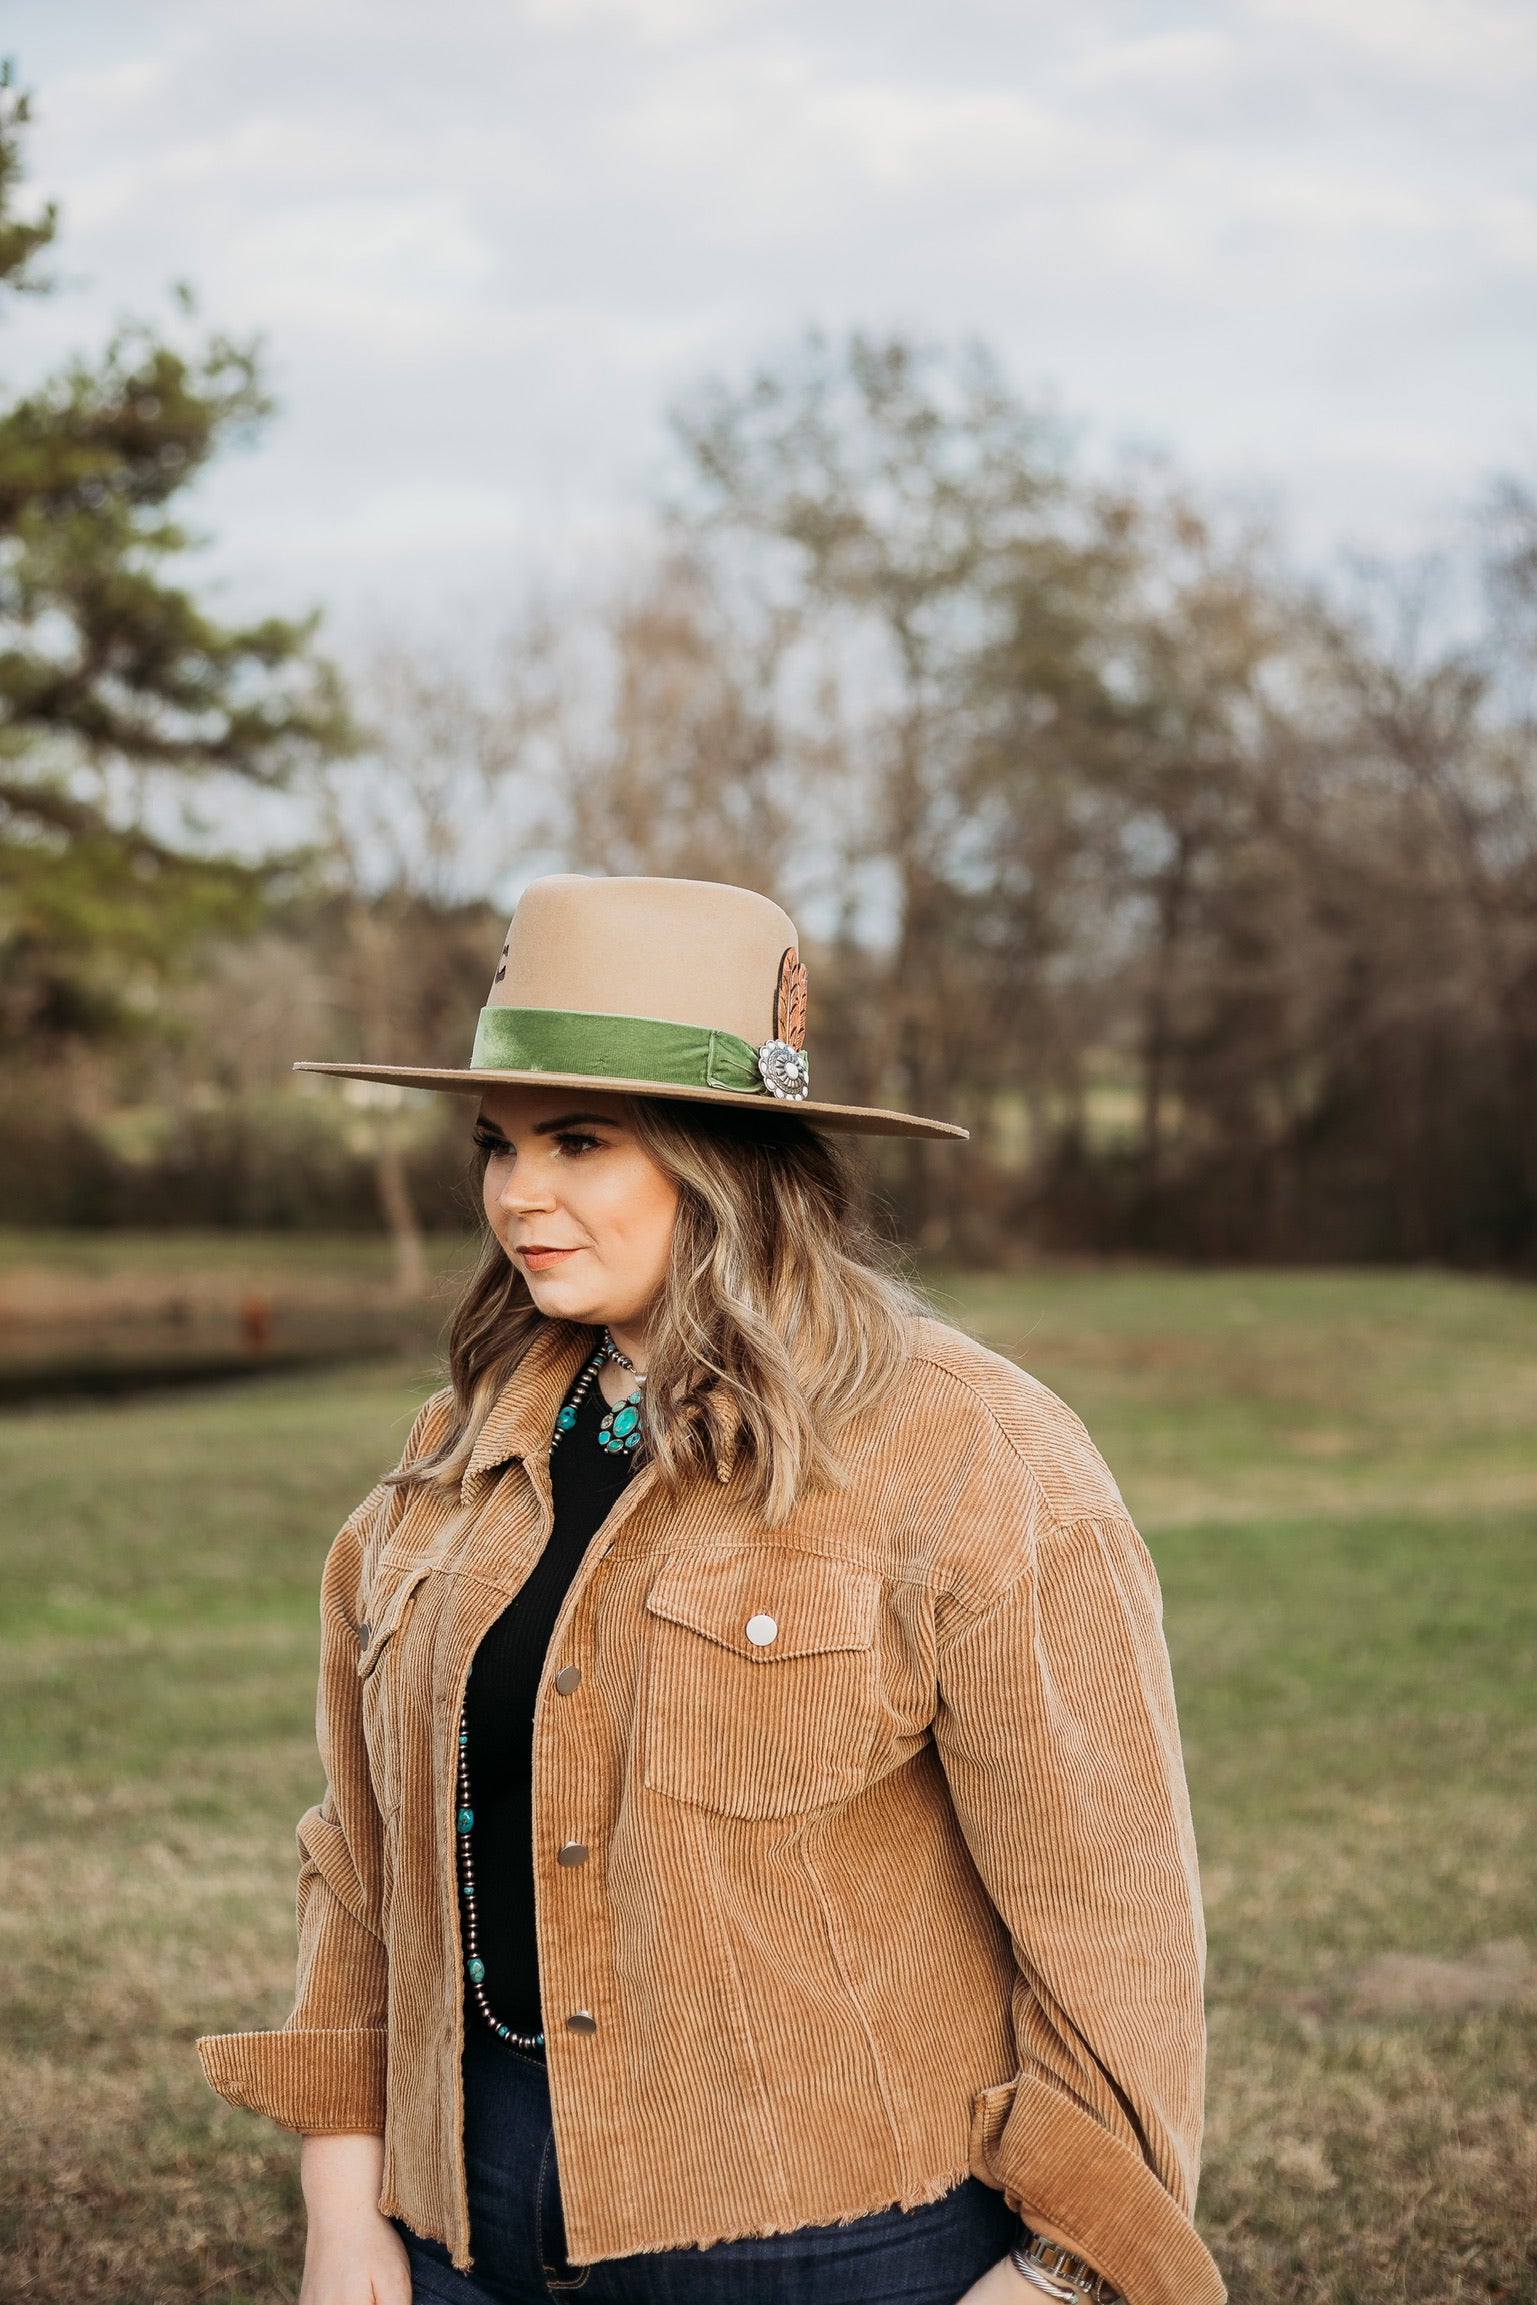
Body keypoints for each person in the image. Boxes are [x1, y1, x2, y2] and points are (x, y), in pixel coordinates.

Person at [198, 875, 1224, 2305]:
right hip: (454, 2230)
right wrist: (342, 2195)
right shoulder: (453, 1447)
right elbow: (360, 1849)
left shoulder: (971, 1452)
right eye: (497, 1142)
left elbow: (1107, 1914)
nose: (515, 1192)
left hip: (827, 2246)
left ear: (725, 1153)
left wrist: (1054, 2271)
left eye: (578, 1141)